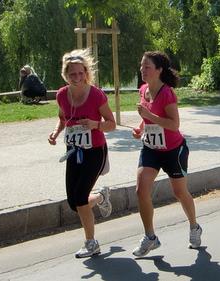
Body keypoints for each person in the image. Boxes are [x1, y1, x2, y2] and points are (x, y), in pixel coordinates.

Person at [131, 51, 202, 257]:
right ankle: (150, 237)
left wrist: (149, 116)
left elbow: (174, 124)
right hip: (151, 149)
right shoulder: (143, 90)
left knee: (180, 192)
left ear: (159, 70)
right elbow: (148, 119)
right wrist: (141, 128)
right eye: (142, 66)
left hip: (173, 150)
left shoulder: (167, 93)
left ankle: (194, 226)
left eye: (147, 67)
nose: (143, 70)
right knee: (140, 188)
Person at [47, 49, 116, 258]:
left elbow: (111, 125)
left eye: (80, 73)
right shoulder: (61, 94)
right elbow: (62, 117)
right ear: (65, 75)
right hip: (73, 151)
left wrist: (95, 124)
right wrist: (56, 131)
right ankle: (101, 196)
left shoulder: (96, 95)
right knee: (73, 202)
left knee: (79, 197)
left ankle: (91, 242)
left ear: (86, 73)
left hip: (94, 151)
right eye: (72, 74)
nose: (76, 78)